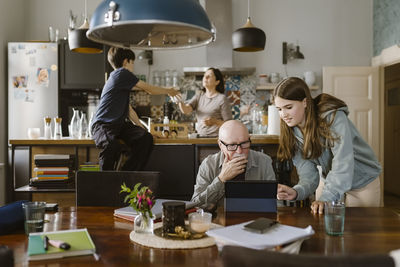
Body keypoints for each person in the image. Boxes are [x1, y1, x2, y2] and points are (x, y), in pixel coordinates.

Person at [273, 77, 381, 214]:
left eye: (288, 107)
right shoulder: (292, 132)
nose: (283, 115)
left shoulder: (332, 117)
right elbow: (308, 173)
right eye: (279, 109)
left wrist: (326, 197)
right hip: (331, 180)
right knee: (324, 230)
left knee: (361, 232)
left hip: (361, 182)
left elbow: (343, 162)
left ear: (305, 102)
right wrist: (296, 191)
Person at [91, 47, 179, 171]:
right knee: (111, 145)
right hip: (102, 125)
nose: (133, 66)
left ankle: (126, 175)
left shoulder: (119, 79)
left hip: (119, 126)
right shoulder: (122, 73)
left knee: (145, 138)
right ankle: (105, 183)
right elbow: (149, 89)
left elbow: (129, 110)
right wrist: (169, 91)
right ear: (126, 62)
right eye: (133, 62)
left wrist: (142, 129)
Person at [191, 120, 276, 209]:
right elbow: (196, 206)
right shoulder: (209, 164)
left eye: (244, 143)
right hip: (219, 221)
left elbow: (273, 203)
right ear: (220, 145)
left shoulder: (264, 161)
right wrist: (221, 179)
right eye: (232, 145)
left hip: (256, 219)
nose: (239, 151)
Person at [175, 67, 232, 137]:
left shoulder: (222, 99)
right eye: (205, 75)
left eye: (210, 75)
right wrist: (179, 101)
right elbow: (186, 110)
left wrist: (215, 121)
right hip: (200, 138)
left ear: (217, 82)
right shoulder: (199, 96)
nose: (206, 77)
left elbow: (230, 125)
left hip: (217, 139)